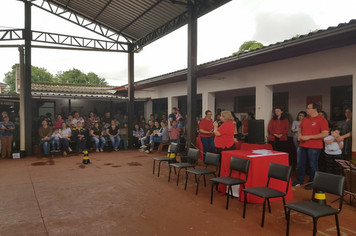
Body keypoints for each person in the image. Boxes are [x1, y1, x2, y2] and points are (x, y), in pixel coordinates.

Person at [293, 103, 329, 190]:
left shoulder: (322, 120)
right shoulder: (305, 119)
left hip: (315, 146)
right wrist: (300, 135)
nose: (306, 110)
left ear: (315, 110)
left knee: (313, 164)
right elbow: (300, 129)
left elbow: (325, 133)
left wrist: (309, 137)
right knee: (300, 163)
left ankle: (312, 182)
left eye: (308, 108)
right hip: (302, 145)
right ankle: (299, 180)